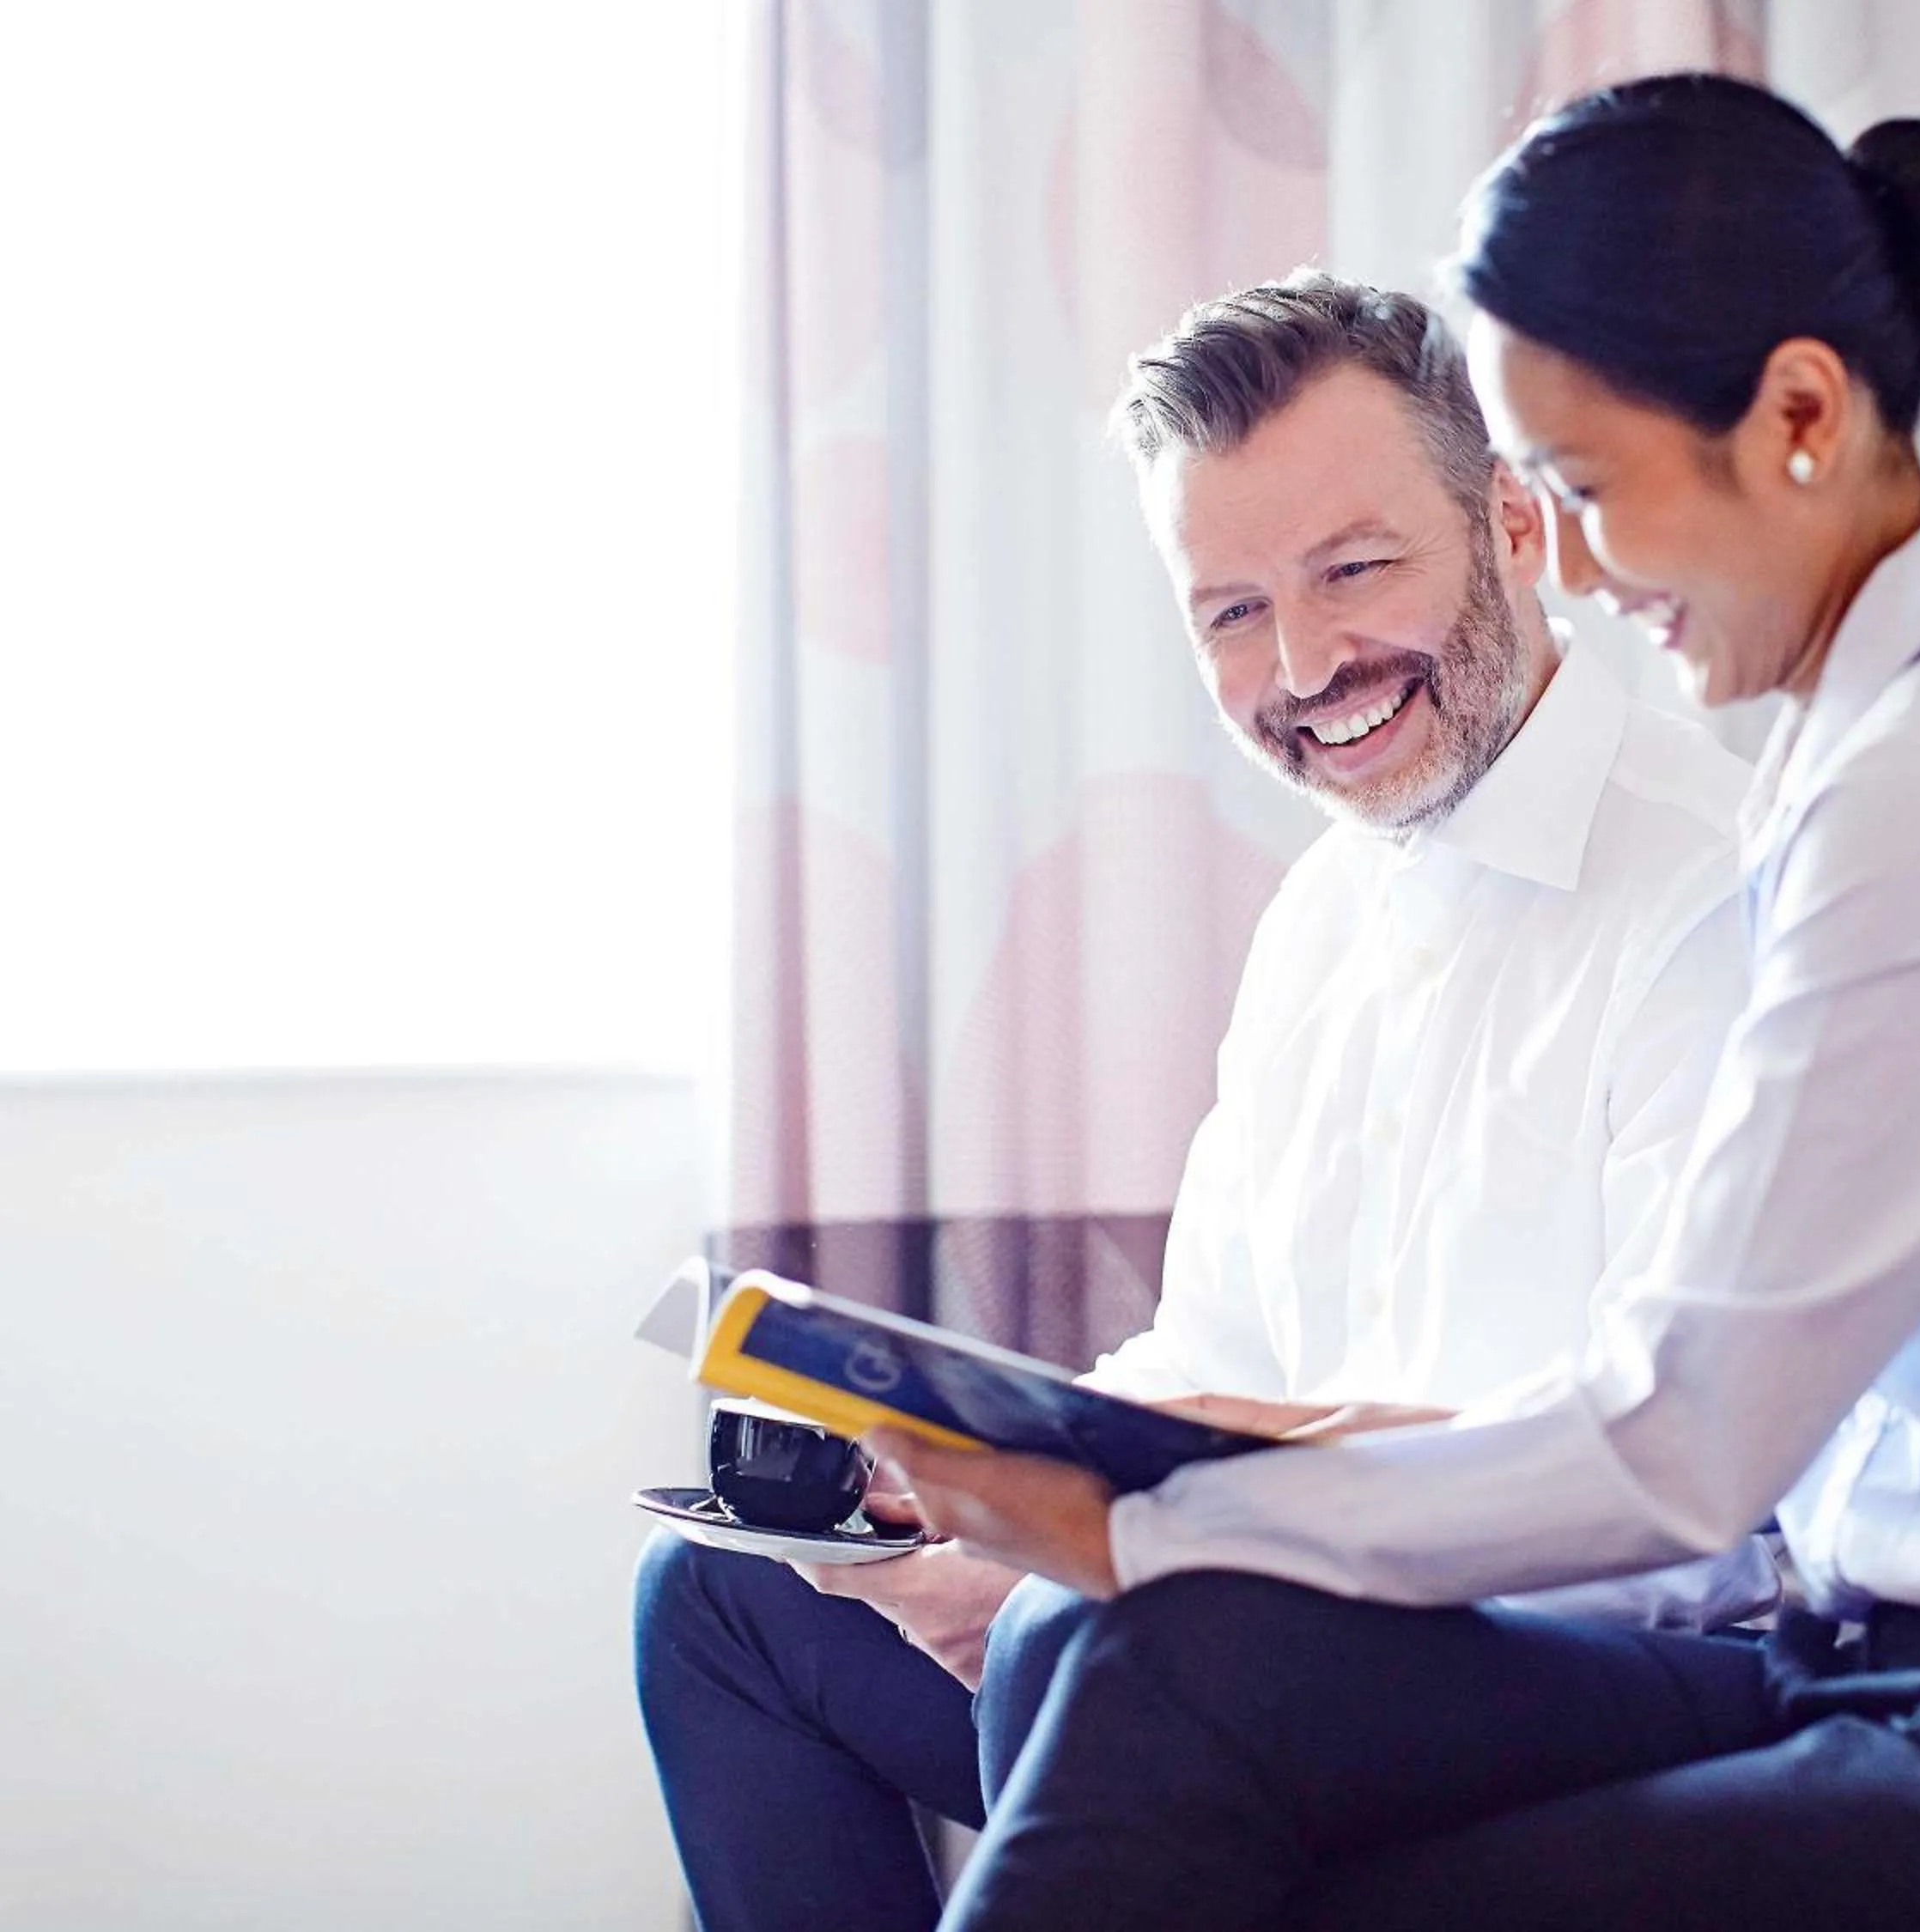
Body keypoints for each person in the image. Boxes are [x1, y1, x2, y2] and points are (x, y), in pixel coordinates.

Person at [879, 76, 1920, 1932]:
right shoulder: (1870, 744)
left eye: (1593, 490)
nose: (1588, 572)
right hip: (1908, 1655)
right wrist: (1146, 1543)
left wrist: (1146, 1522)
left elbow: (1690, 1435)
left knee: (1239, 1754)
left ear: (1797, 414)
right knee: (1144, 1665)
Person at [632, 270, 1779, 1932]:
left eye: (1354, 570)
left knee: (1094, 1639)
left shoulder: (1705, 894)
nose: (1304, 661)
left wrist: (1135, 1552)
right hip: (1248, 1656)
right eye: (1230, 611)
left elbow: (1692, 1511)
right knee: (720, 1601)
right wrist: (962, 1493)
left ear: (1517, 527)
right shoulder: (1324, 913)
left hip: (1592, 1676)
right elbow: (1208, 1367)